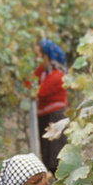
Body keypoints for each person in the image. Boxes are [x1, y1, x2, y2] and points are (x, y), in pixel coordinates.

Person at [31, 39, 68, 174]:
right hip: (45, 118)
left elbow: (38, 92)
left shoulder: (57, 76)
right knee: (48, 158)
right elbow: (28, 83)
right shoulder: (42, 73)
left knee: (56, 159)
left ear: (46, 56)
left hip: (55, 118)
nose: (36, 59)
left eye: (38, 55)